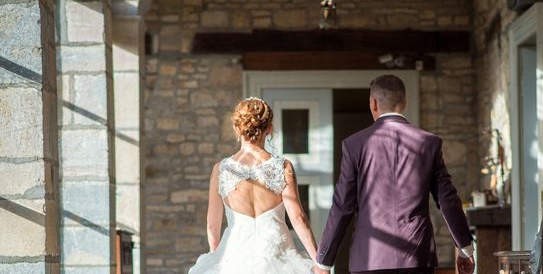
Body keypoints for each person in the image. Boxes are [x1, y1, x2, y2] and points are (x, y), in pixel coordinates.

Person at [313, 75, 475, 274]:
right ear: (404, 102)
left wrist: (324, 262)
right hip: (416, 257)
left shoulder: (354, 145)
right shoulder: (429, 142)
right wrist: (465, 248)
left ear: (373, 103)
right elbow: (447, 199)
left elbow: (342, 206)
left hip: (369, 258)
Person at [188, 97, 316, 273]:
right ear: (269, 129)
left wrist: (217, 258)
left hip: (233, 260)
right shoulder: (282, 167)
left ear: (236, 129)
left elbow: (212, 225)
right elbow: (298, 218)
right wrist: (318, 261)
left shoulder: (221, 169)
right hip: (279, 258)